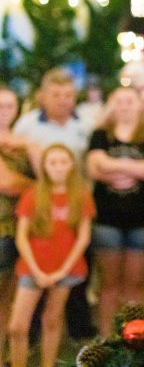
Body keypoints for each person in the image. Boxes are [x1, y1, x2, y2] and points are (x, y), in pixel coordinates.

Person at [12, 69, 95, 339]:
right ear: (42, 96)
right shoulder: (27, 125)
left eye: (69, 95)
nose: (63, 100)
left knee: (76, 275)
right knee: (35, 272)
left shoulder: (85, 124)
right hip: (38, 210)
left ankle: (78, 335)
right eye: (56, 95)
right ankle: (32, 334)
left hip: (75, 209)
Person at [86, 87, 144, 337]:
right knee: (108, 285)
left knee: (135, 286)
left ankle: (133, 340)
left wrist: (115, 167)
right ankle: (106, 339)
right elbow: (94, 168)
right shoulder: (101, 134)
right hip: (107, 219)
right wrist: (139, 168)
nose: (124, 105)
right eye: (119, 100)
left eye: (130, 101)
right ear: (112, 105)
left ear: (139, 105)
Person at [9, 144, 94, 367]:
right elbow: (21, 237)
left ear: (72, 165)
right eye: (52, 162)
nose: (58, 167)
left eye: (63, 162)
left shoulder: (81, 195)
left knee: (52, 318)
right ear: (44, 166)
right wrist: (36, 270)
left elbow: (83, 238)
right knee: (17, 326)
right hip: (33, 266)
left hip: (65, 267)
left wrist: (62, 271)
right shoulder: (32, 195)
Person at [0, 87, 38, 365]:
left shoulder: (24, 141)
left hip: (21, 229)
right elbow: (8, 184)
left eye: (10, 106)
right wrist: (39, 189)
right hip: (1, 228)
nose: (5, 112)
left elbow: (48, 170)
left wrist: (29, 147)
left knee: (10, 298)